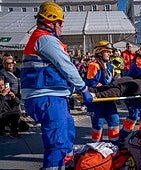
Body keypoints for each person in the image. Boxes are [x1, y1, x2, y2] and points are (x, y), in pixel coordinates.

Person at [20, 2, 92, 170]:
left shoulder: (42, 39)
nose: (62, 26)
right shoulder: (45, 39)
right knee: (58, 143)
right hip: (47, 97)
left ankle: (64, 166)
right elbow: (66, 66)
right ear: (50, 22)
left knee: (66, 137)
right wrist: (84, 89)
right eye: (60, 23)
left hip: (53, 97)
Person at [85, 40, 120, 146]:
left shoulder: (110, 67)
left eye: (110, 52)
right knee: (97, 125)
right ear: (99, 52)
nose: (109, 54)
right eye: (107, 52)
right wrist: (106, 88)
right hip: (97, 101)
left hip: (108, 100)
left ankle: (115, 145)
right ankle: (95, 146)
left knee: (114, 121)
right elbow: (91, 82)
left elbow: (112, 81)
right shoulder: (94, 65)